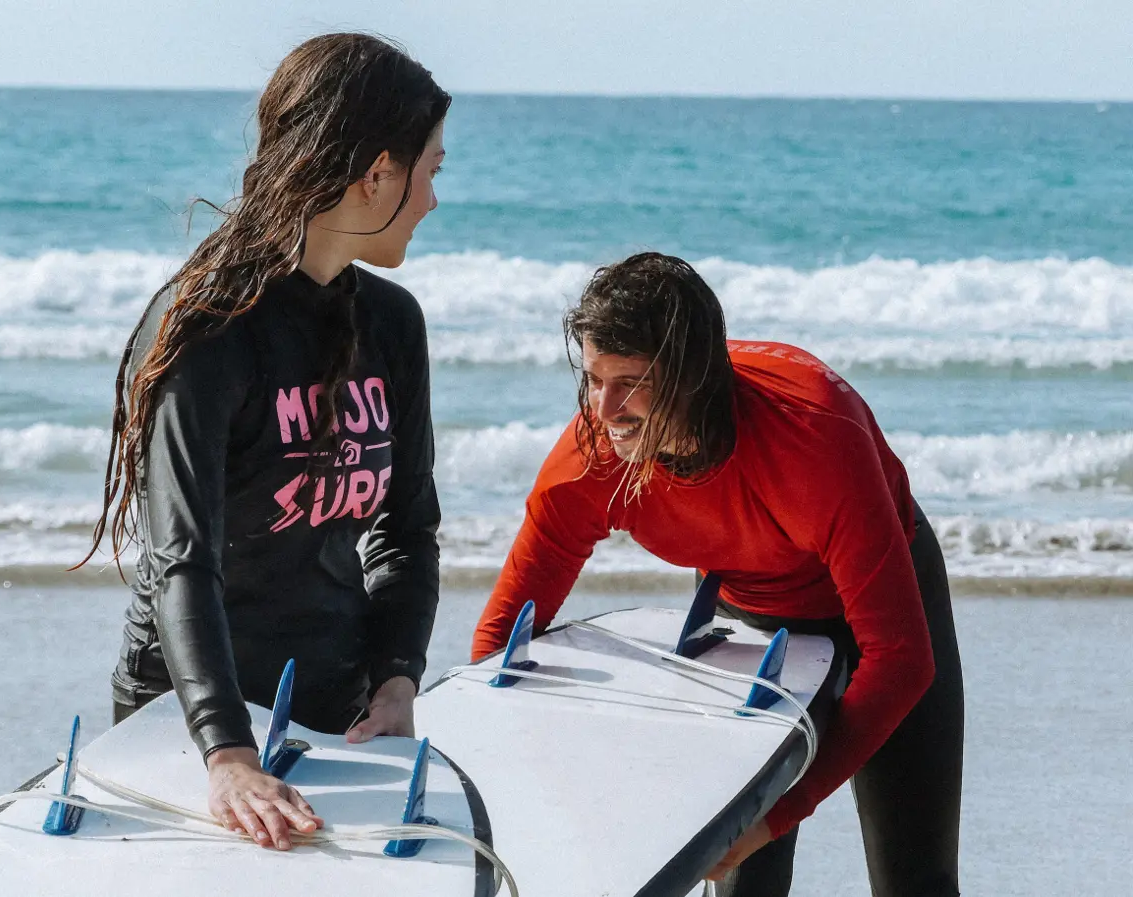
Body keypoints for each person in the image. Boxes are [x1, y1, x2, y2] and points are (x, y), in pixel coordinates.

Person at [472, 252, 964, 896]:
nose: (606, 409)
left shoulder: (815, 441)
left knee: (916, 879)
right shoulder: (591, 460)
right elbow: (500, 642)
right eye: (594, 379)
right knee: (739, 883)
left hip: (884, 589)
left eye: (630, 382)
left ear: (693, 378)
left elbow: (901, 659)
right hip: (750, 618)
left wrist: (780, 813)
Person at [78, 33, 451, 852]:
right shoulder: (206, 330)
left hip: (334, 701)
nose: (432, 198)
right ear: (376, 173)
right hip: (184, 715)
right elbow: (182, 558)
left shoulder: (392, 324)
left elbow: (406, 526)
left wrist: (397, 676)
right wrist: (227, 753)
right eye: (430, 169)